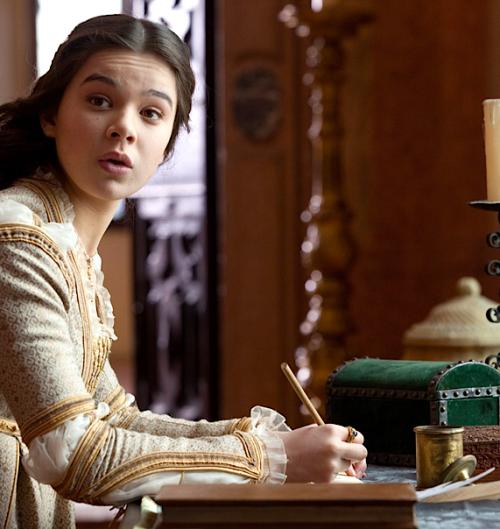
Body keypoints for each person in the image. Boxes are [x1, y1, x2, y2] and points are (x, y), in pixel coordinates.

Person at [0, 13, 367, 528]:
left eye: (151, 113)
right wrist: (273, 460)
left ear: (169, 142)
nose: (124, 128)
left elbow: (113, 416)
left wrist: (272, 443)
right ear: (50, 115)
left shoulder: (65, 239)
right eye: (99, 101)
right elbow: (73, 452)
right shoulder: (18, 238)